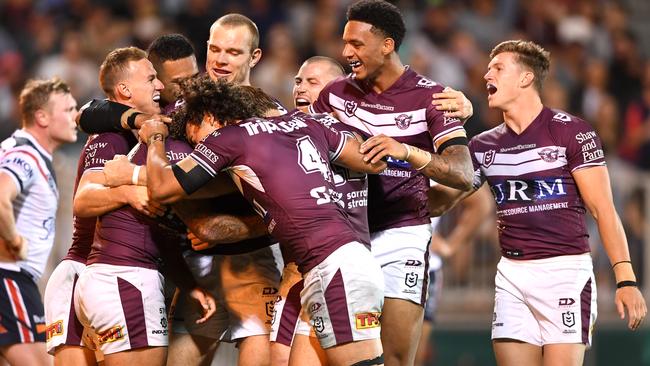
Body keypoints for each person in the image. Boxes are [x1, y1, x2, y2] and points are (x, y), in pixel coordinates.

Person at [424, 40, 647, 366]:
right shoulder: (482, 145)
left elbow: (603, 210)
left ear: (526, 78)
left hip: (565, 272)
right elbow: (443, 202)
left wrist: (626, 280)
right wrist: (408, 162)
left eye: (498, 67)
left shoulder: (572, 132)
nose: (487, 73)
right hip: (512, 275)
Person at [140, 76, 388, 366]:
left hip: (334, 268)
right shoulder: (306, 123)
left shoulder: (230, 137)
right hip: (336, 262)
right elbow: (373, 161)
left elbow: (161, 187)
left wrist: (155, 137)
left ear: (209, 116)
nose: (201, 146)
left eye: (198, 138)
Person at [309, 1, 474, 364]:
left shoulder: (433, 97)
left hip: (402, 236)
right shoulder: (333, 95)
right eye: (344, 42)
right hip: (345, 237)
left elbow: (464, 174)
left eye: (356, 44)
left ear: (387, 45)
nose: (345, 52)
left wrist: (406, 152)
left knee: (397, 357)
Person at [71, 47, 216, 366]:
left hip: (112, 277)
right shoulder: (123, 138)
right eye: (156, 79)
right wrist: (129, 191)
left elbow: (158, 230)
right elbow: (83, 200)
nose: (163, 88)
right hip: (121, 277)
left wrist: (188, 283)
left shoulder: (151, 142)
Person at [0, 77, 78, 366]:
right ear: (42, 116)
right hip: (9, 277)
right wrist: (14, 239)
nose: (76, 116)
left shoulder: (19, 149)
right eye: (68, 110)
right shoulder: (26, 155)